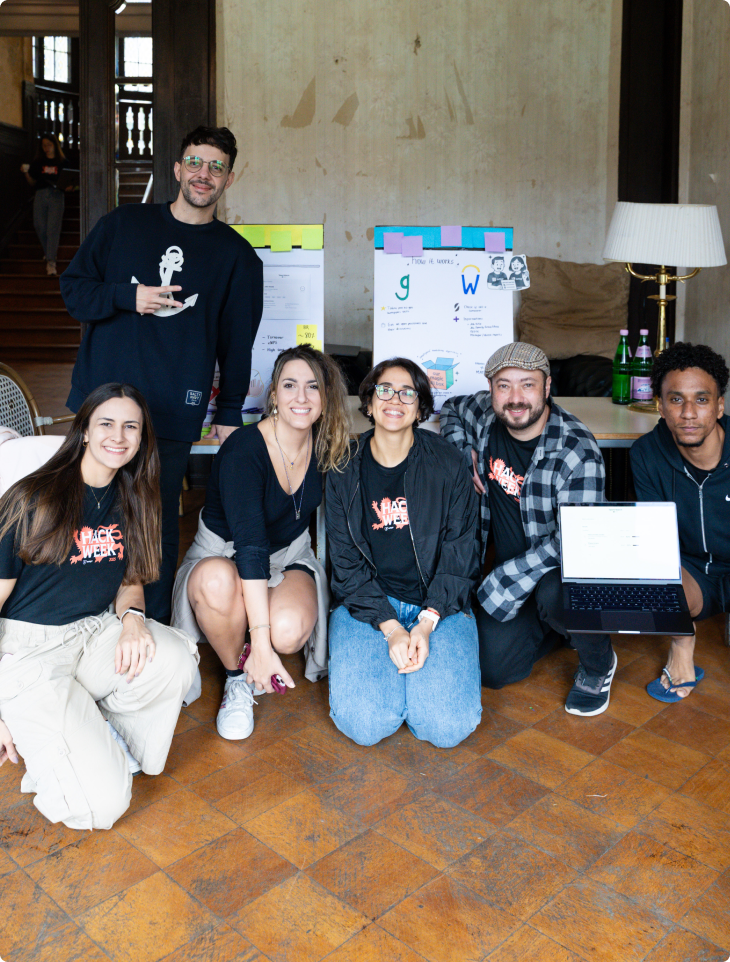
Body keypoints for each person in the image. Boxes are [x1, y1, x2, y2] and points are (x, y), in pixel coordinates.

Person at [60, 125, 263, 623]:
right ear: (177, 169)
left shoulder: (238, 257)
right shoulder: (123, 225)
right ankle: (76, 619)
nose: (204, 174)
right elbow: (74, 291)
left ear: (229, 179)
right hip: (99, 407)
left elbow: (237, 344)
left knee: (154, 525)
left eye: (216, 166)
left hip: (172, 410)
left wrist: (230, 410)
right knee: (81, 515)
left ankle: (150, 631)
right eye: (195, 162)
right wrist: (128, 297)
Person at [0, 384, 198, 830]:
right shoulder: (34, 497)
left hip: (91, 633)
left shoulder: (135, 497)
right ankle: (56, 736)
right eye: (106, 423)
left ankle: (94, 732)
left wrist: (132, 620)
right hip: (27, 650)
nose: (119, 435)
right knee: (102, 808)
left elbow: (131, 579)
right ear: (85, 431)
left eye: (132, 426)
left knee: (171, 658)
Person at [171, 346, 350, 740]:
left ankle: (255, 647)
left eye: (312, 387)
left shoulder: (327, 445)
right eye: (290, 385)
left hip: (288, 554)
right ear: (273, 394)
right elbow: (250, 547)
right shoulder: (244, 449)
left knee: (288, 631)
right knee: (218, 584)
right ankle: (238, 676)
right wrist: (262, 643)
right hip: (225, 554)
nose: (301, 398)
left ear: (325, 396)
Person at [440, 342, 617, 716]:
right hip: (513, 574)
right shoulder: (487, 414)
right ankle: (558, 630)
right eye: (504, 386)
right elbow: (453, 408)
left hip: (558, 570)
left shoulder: (576, 450)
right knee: (492, 671)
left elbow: (574, 541)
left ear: (547, 387)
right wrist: (461, 450)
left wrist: (501, 578)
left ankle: (598, 663)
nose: (515, 398)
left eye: (528, 385)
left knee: (559, 595)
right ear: (491, 389)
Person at [325, 357, 482, 748]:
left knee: (445, 729)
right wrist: (392, 628)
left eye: (408, 392)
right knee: (365, 725)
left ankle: (419, 687)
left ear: (420, 406)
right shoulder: (343, 465)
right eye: (385, 389)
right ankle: (401, 680)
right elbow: (344, 561)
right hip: (368, 606)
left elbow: (462, 551)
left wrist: (426, 623)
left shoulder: (448, 462)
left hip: (438, 606)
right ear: (370, 400)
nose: (395, 399)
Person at [630, 342, 730, 702]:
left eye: (701, 400)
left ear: (719, 406)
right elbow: (657, 541)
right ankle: (682, 653)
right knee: (654, 584)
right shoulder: (645, 453)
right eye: (676, 400)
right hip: (690, 569)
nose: (689, 413)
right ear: (659, 405)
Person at [20, 134, 70, 276]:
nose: (47, 148)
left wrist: (69, 186)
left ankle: (51, 261)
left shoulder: (63, 162)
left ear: (55, 145)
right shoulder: (38, 162)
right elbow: (32, 182)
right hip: (41, 194)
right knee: (39, 225)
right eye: (44, 146)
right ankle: (49, 252)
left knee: (52, 228)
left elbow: (68, 181)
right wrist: (26, 173)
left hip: (56, 195)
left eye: (49, 145)